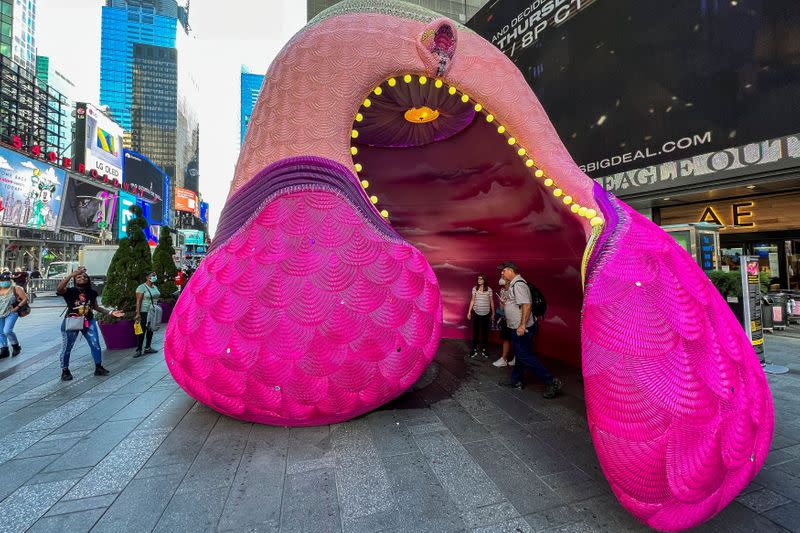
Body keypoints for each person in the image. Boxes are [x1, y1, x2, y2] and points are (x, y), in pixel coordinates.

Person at [497, 261, 563, 398]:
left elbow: (527, 305)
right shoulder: (514, 284)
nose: (501, 273)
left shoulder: (519, 284)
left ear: (511, 270)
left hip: (522, 328)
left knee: (524, 355)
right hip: (516, 326)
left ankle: (551, 381)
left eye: (503, 270)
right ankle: (517, 380)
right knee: (521, 355)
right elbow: (517, 304)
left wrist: (522, 325)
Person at [56, 268, 123, 381]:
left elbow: (96, 307)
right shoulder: (70, 291)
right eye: (78, 277)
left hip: (88, 320)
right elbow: (59, 288)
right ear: (74, 279)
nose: (82, 278)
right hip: (72, 321)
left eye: (85, 277)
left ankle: (98, 367)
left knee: (95, 343)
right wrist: (71, 274)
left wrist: (111, 312)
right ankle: (65, 370)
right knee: (67, 347)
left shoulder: (92, 293)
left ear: (88, 280)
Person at [0, 272, 27, 358]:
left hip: (11, 313)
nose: (4, 281)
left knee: (7, 330)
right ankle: (4, 350)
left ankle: (16, 346)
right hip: (0, 313)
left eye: (7, 280)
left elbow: (25, 298)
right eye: (2, 280)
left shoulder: (16, 288)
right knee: (1, 333)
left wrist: (17, 307)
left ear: (10, 280)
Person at [134, 271, 161, 358]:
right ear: (147, 277)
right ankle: (139, 349)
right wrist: (138, 313)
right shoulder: (141, 287)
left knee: (151, 329)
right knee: (142, 331)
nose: (154, 277)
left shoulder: (154, 286)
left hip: (153, 311)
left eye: (155, 275)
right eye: (153, 275)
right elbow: (138, 301)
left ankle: (148, 347)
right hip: (144, 311)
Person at [467, 273, 494, 358]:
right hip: (476, 312)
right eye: (478, 279)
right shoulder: (475, 289)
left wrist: (493, 313)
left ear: (484, 280)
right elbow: (472, 300)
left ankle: (484, 349)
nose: (479, 280)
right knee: (476, 332)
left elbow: (491, 301)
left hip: (486, 313)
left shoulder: (489, 289)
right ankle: (474, 349)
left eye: (481, 279)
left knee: (485, 333)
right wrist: (469, 312)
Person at [492, 277, 515, 367]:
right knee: (506, 338)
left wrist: (507, 304)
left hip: (514, 319)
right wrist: (502, 303)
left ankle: (516, 358)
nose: (501, 278)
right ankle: (504, 359)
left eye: (503, 278)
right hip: (505, 318)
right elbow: (502, 308)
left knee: (515, 340)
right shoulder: (502, 291)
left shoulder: (514, 289)